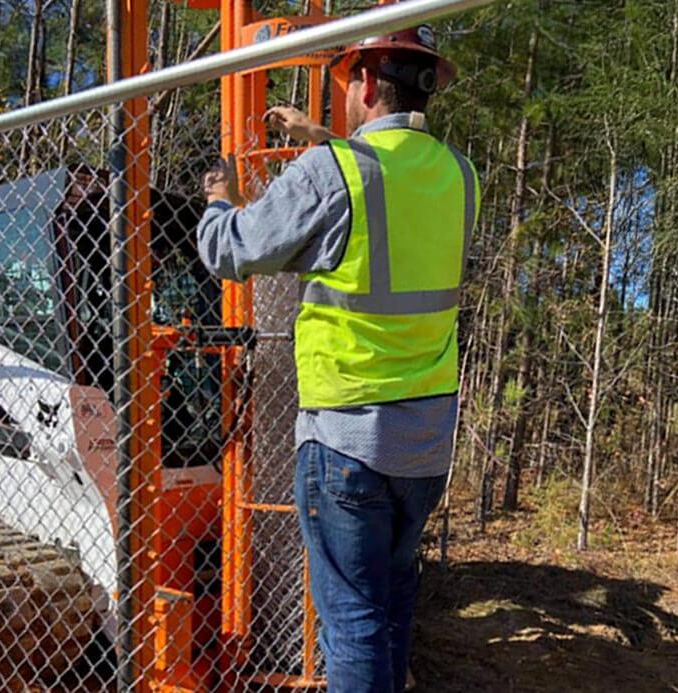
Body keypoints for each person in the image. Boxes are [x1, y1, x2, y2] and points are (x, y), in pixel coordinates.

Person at [197, 24, 478, 693]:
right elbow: (386, 183)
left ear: (368, 84)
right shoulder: (459, 176)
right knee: (391, 604)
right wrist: (317, 143)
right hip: (426, 443)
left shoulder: (334, 173)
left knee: (351, 620)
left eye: (349, 78)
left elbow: (232, 252)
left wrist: (216, 203)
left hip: (346, 438)